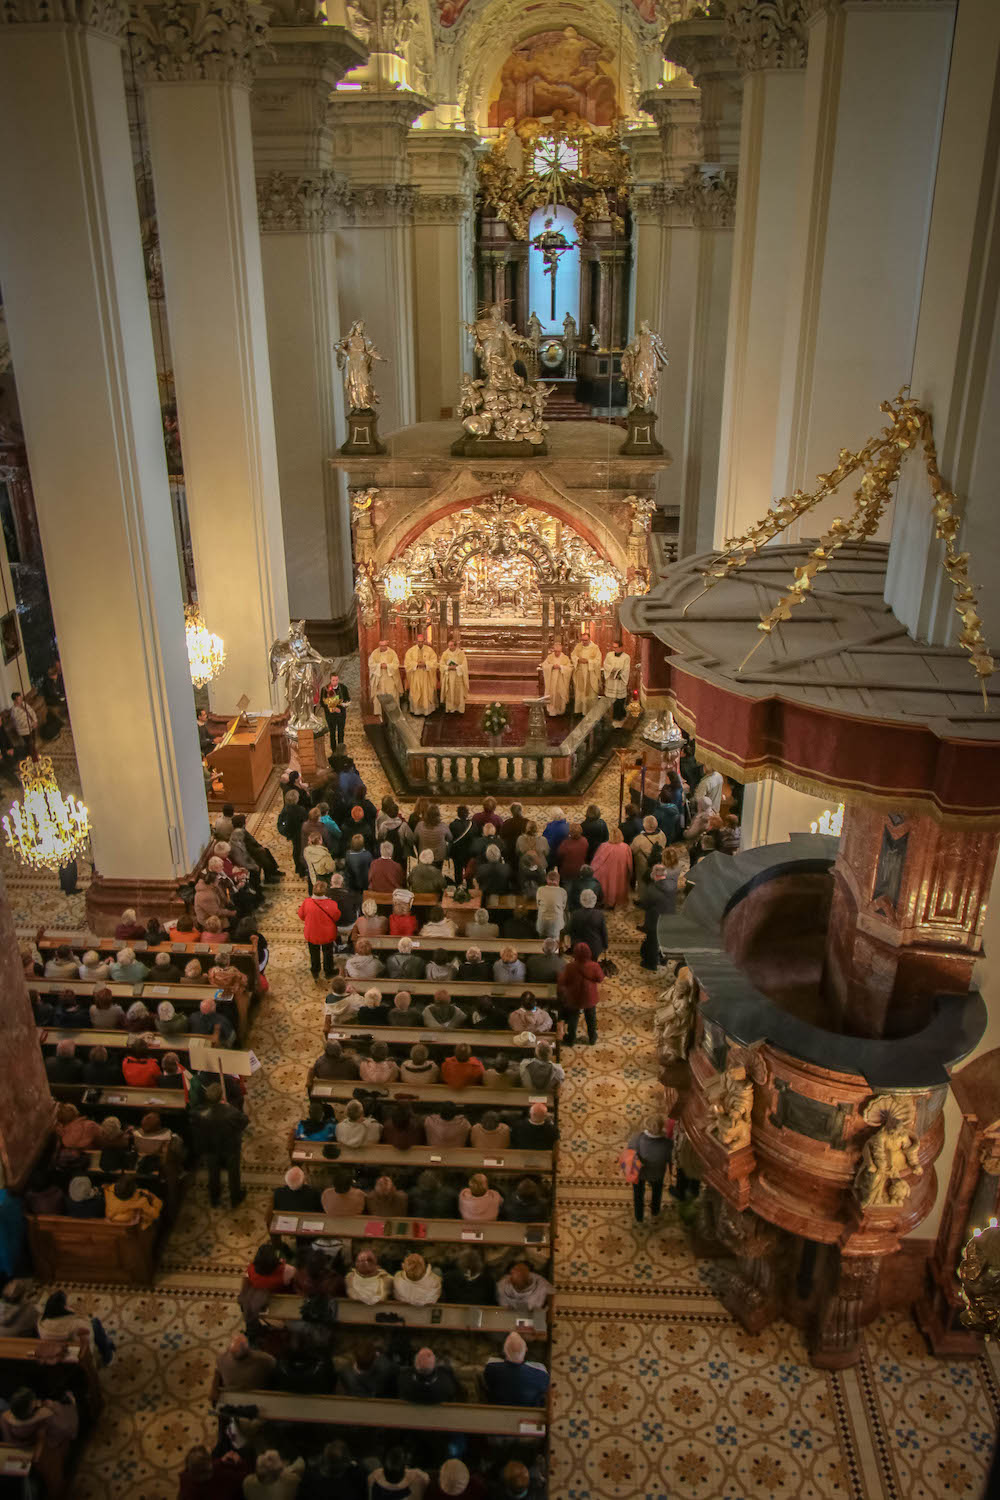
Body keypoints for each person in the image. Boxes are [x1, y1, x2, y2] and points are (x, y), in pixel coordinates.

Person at [190, 1082, 248, 1208]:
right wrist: (228, 1107)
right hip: (230, 1147)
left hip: (210, 1146)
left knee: (213, 1172)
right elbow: (244, 1121)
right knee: (233, 1173)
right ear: (221, 1096)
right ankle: (235, 1197)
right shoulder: (230, 1112)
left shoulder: (198, 1112)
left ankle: (214, 1197)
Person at [482, 1331, 549, 1406]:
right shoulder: (541, 1373)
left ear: (504, 1350)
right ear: (526, 1349)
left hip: (500, 1410)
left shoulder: (491, 1368)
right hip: (528, 1412)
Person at [629, 1113, 673, 1222]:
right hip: (657, 1174)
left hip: (639, 1174)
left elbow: (629, 1154)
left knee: (638, 1195)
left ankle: (639, 1216)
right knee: (657, 1193)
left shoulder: (637, 1139)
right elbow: (670, 1160)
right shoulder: (668, 1144)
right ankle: (655, 1211)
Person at [639, 857, 680, 971]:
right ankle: (663, 960)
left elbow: (645, 904)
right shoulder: (672, 885)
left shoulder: (652, 889)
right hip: (669, 916)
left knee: (653, 941)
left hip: (655, 919)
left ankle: (650, 964)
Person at [298, 880, 340, 981]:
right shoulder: (332, 903)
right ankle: (328, 971)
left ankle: (315, 971)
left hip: (312, 933)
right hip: (327, 934)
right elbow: (337, 917)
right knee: (328, 953)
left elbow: (301, 915)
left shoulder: (307, 902)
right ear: (326, 891)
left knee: (314, 953)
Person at [179, 1446, 251, 1500]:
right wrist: (240, 1462)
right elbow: (245, 1477)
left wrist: (220, 1461)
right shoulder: (224, 1476)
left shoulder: (184, 1478)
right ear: (210, 1465)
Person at [591, 827, 633, 910]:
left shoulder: (603, 846)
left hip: (606, 873)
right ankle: (616, 901)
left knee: (607, 886)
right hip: (620, 872)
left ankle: (607, 902)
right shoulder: (626, 847)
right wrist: (630, 873)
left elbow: (597, 860)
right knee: (618, 886)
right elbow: (630, 863)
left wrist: (592, 869)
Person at [632, 814, 668, 898]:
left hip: (644, 863)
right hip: (658, 861)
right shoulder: (662, 834)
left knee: (643, 881)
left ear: (644, 825)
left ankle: (643, 898)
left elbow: (632, 850)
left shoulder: (639, 839)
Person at [567, 887, 608, 960]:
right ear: (594, 900)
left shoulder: (575, 914)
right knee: (593, 962)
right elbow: (604, 933)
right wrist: (605, 946)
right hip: (595, 948)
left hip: (579, 948)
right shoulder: (599, 914)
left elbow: (569, 930)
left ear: (581, 900)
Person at [535, 869, 567, 939]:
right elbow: (563, 907)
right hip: (557, 926)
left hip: (542, 925)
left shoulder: (540, 890)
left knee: (542, 942)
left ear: (547, 879)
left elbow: (538, 906)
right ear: (558, 881)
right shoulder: (563, 891)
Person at [320, 670, 350, 745]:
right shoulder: (325, 689)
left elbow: (348, 700)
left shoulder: (343, 688)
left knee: (341, 732)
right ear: (330, 680)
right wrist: (331, 708)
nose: (335, 682)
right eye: (333, 680)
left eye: (336, 680)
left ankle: (341, 749)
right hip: (330, 715)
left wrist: (343, 704)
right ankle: (334, 751)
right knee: (332, 733)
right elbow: (322, 703)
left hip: (341, 714)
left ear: (338, 679)